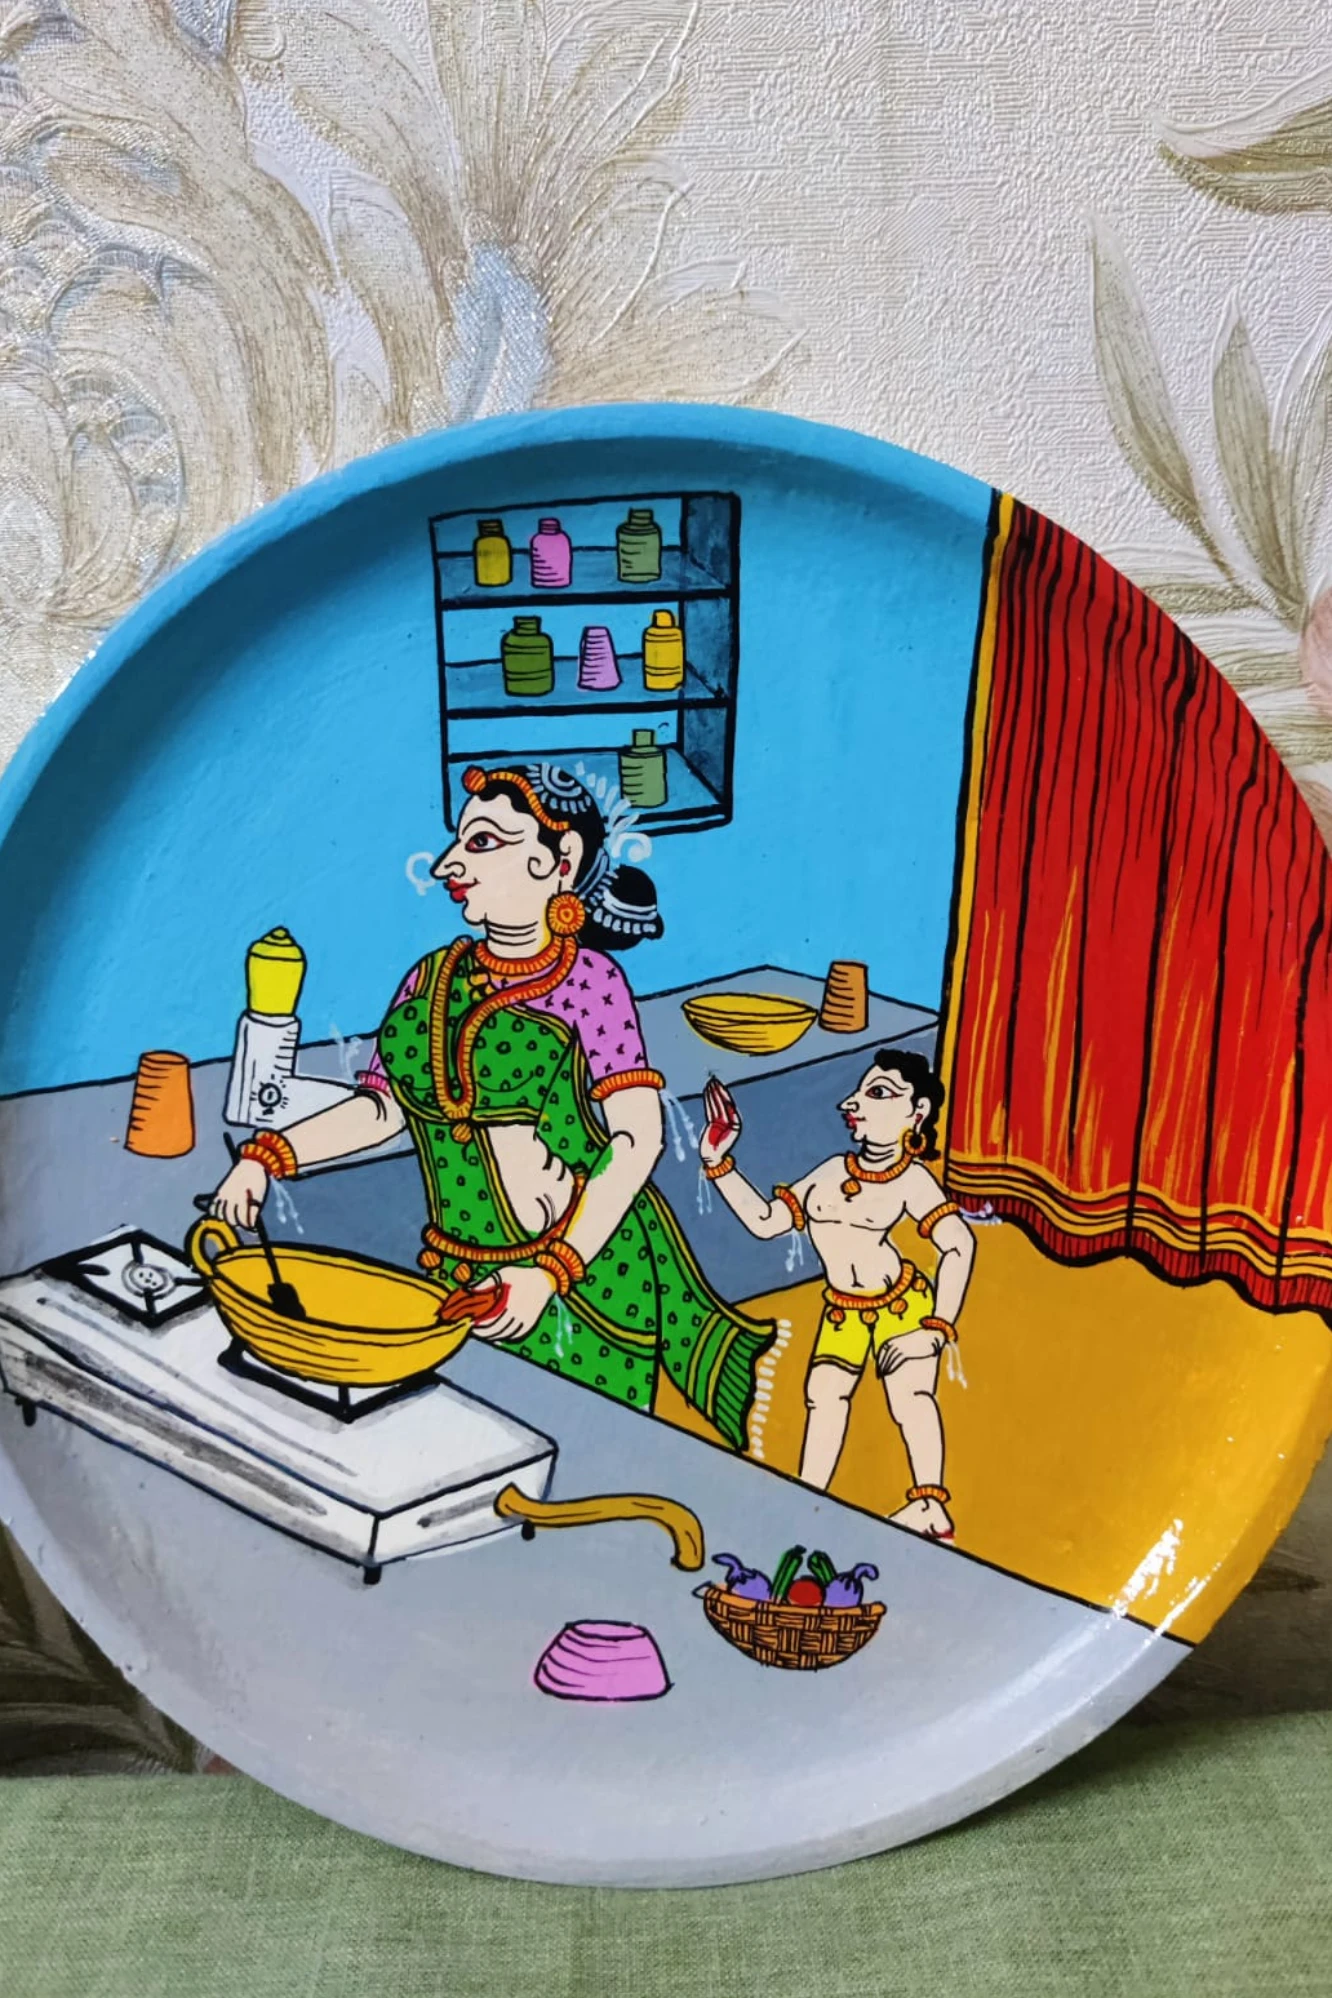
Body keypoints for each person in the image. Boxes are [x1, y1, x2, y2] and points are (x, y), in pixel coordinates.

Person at [210, 762, 773, 1452]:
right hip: (458, 1274)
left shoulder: (590, 984)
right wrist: (268, 1157)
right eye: (458, 842)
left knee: (577, 1456)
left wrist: (550, 1271)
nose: (448, 864)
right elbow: (382, 1111)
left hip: (582, 1283)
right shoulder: (430, 977)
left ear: (559, 859)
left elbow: (637, 1140)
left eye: (481, 843)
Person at [698, 1052, 975, 1536]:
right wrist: (717, 1162)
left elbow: (959, 1244)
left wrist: (934, 1331)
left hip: (903, 1305)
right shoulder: (829, 1173)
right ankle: (808, 1501)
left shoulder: (911, 1180)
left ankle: (931, 1507)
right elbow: (767, 1223)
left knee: (910, 1397)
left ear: (917, 1113)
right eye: (859, 1092)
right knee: (823, 1398)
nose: (853, 1103)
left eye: (878, 1093)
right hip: (844, 1311)